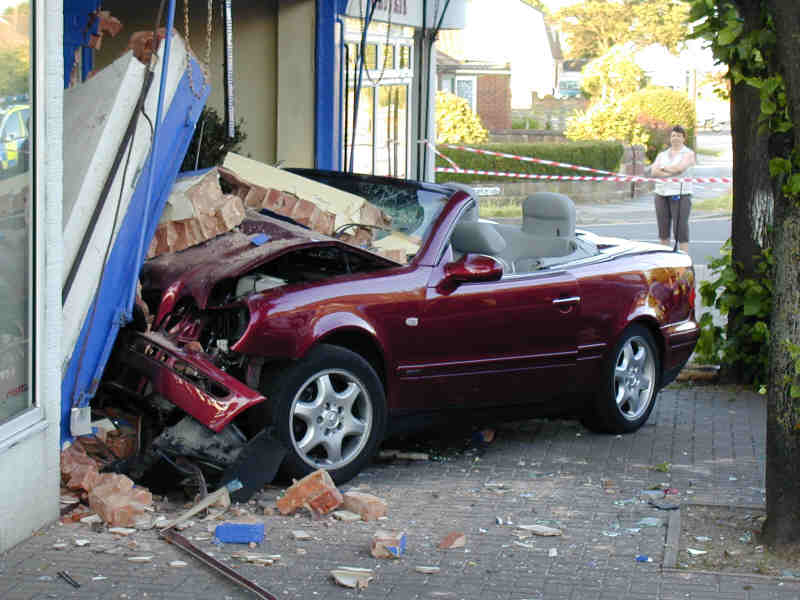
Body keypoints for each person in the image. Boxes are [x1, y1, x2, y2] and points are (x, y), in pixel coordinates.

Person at [650, 125, 695, 252]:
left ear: (684, 138)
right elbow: (653, 172)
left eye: (679, 136)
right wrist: (671, 172)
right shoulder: (662, 154)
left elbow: (680, 168)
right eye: (673, 135)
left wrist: (663, 169)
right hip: (661, 193)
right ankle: (666, 262)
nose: (675, 138)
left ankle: (684, 261)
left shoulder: (688, 154)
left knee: (680, 228)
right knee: (663, 229)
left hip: (680, 193)